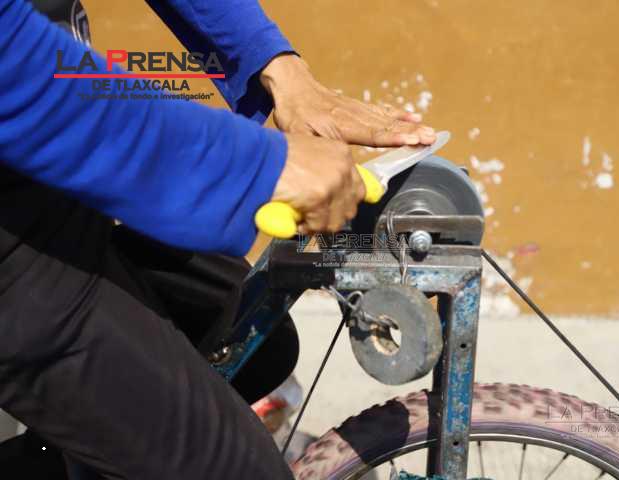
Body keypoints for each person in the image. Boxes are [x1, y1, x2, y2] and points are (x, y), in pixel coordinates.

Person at [0, 0, 436, 478]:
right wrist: (255, 165)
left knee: (255, 344)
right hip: (16, 254)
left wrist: (278, 67)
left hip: (60, 195)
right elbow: (14, 69)